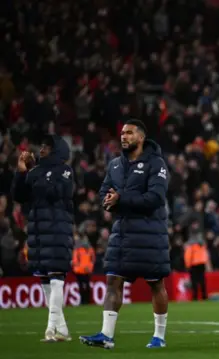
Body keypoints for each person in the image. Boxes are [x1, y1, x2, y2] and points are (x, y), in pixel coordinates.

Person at [79, 119, 170, 349]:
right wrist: (107, 201)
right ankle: (106, 335)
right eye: (122, 133)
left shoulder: (156, 164)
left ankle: (159, 337)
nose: (123, 136)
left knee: (156, 285)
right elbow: (104, 191)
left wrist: (122, 199)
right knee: (112, 281)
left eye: (129, 133)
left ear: (140, 137)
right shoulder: (115, 165)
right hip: (122, 233)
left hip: (150, 234)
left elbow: (155, 199)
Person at [11, 135, 74, 342]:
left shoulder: (65, 171)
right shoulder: (35, 172)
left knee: (56, 280)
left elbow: (56, 192)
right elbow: (19, 196)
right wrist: (22, 173)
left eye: (47, 146)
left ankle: (50, 329)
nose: (42, 149)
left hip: (57, 230)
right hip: (38, 232)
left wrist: (34, 176)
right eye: (43, 145)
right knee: (46, 282)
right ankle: (62, 330)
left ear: (57, 150)